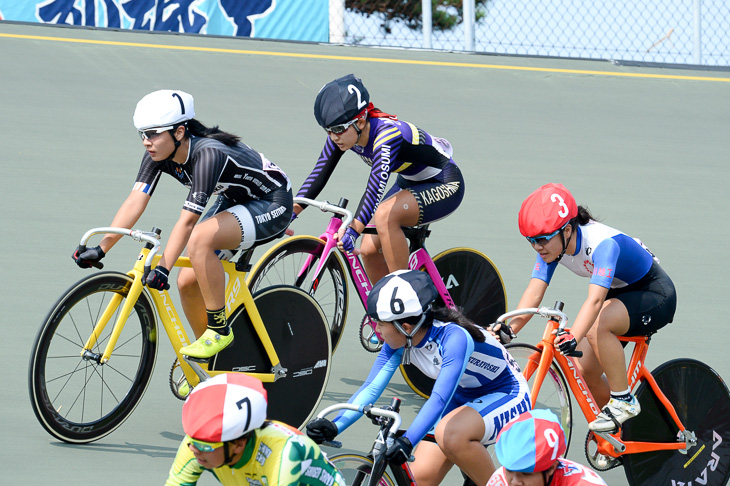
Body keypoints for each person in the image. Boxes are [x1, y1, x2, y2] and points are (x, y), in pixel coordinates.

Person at [72, 89, 292, 362]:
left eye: (152, 134)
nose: (145, 142)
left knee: (199, 239)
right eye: (142, 134)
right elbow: (135, 202)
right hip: (235, 200)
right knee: (188, 280)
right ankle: (210, 364)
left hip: (272, 203)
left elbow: (188, 222)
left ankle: (220, 330)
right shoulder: (159, 154)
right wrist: (102, 248)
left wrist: (163, 267)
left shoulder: (208, 154)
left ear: (178, 132)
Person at [306, 270, 531, 486]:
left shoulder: (454, 338)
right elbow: (370, 389)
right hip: (462, 397)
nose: (376, 330)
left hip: (506, 393)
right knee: (418, 479)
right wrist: (335, 426)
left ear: (405, 327)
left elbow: (439, 399)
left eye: (380, 324)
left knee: (450, 435)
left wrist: (408, 441)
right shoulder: (400, 341)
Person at [493, 183, 676, 432]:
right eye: (531, 241)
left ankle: (624, 400)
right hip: (621, 293)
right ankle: (622, 434)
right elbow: (534, 293)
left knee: (597, 327)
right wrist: (509, 329)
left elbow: (595, 301)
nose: (537, 247)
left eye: (542, 240)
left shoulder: (603, 244)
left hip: (654, 293)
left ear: (567, 229)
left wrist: (573, 335)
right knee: (585, 369)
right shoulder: (552, 247)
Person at [293, 74, 465, 285]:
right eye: (327, 130)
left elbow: (375, 188)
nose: (333, 136)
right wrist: (289, 214)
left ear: (361, 121)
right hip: (410, 181)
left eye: (337, 129)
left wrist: (353, 230)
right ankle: (385, 316)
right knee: (368, 250)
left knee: (384, 216)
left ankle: (405, 300)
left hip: (444, 182)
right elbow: (318, 175)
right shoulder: (343, 135)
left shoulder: (386, 135)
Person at [165, 373, 345, 486]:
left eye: (204, 446)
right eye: (192, 442)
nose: (193, 450)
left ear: (239, 444)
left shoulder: (283, 452)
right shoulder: (199, 441)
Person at [487, 409, 607, 486]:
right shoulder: (500, 480)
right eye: (510, 471)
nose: (514, 482)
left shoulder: (584, 484)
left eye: (526, 474)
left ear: (551, 468)